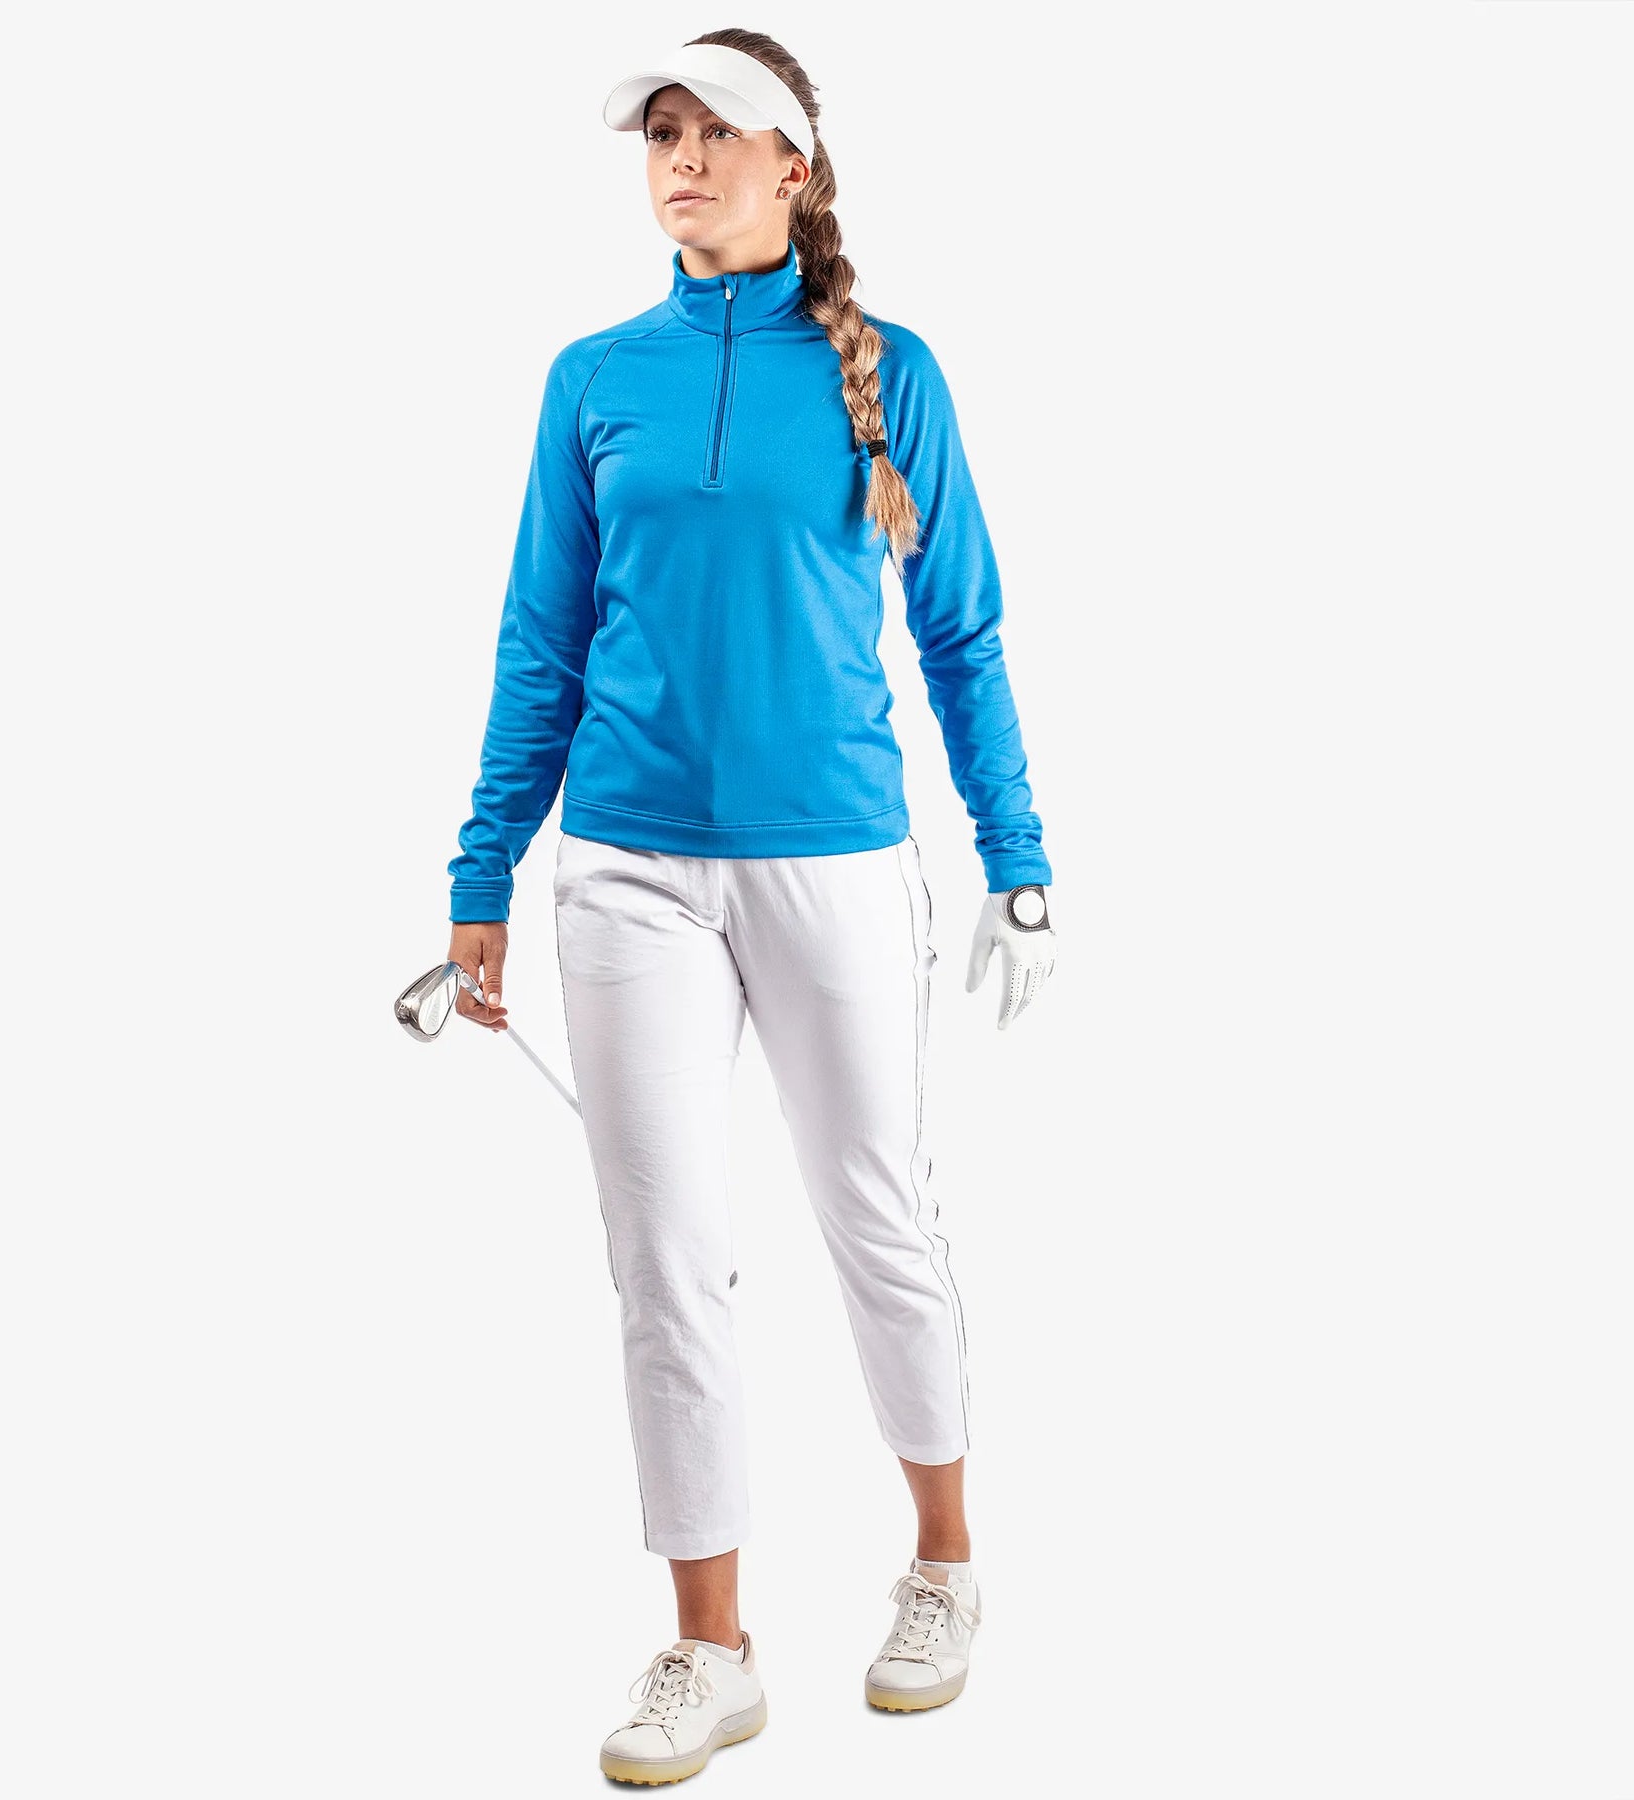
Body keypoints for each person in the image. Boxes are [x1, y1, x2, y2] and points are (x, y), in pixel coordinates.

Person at [443, 30, 1057, 1786]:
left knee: (876, 1215)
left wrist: (1016, 855)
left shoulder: (891, 373)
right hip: (625, 868)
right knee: (664, 1261)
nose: (686, 159)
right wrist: (484, 868)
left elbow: (961, 630)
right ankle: (710, 1650)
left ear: (796, 164)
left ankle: (944, 1563)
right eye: (663, 133)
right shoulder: (592, 379)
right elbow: (542, 635)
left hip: (834, 856)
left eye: (720, 132)